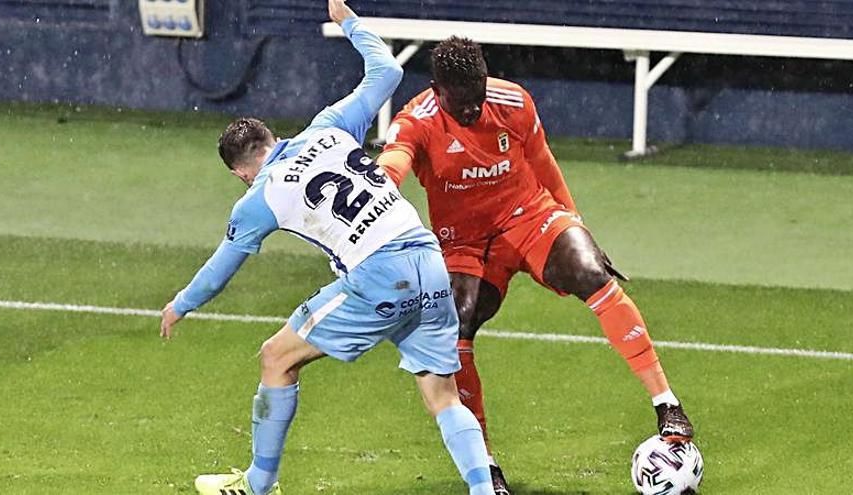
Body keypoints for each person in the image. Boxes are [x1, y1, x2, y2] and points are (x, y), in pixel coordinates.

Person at [159, 5, 495, 495]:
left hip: (377, 274)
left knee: (276, 358)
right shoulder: (329, 126)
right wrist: (348, 19)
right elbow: (389, 71)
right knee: (443, 394)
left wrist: (181, 303)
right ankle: (484, 491)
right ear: (271, 136)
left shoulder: (259, 196)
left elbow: (220, 268)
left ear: (241, 172)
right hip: (428, 259)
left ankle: (257, 485)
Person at [377, 36, 695, 495]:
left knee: (592, 273)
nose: (470, 111)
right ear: (436, 89)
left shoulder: (513, 101)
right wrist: (378, 184)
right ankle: (484, 465)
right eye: (459, 104)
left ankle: (667, 404)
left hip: (529, 215)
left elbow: (543, 162)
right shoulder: (416, 121)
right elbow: (394, 164)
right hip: (466, 243)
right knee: (457, 323)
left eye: (476, 98)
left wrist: (576, 225)